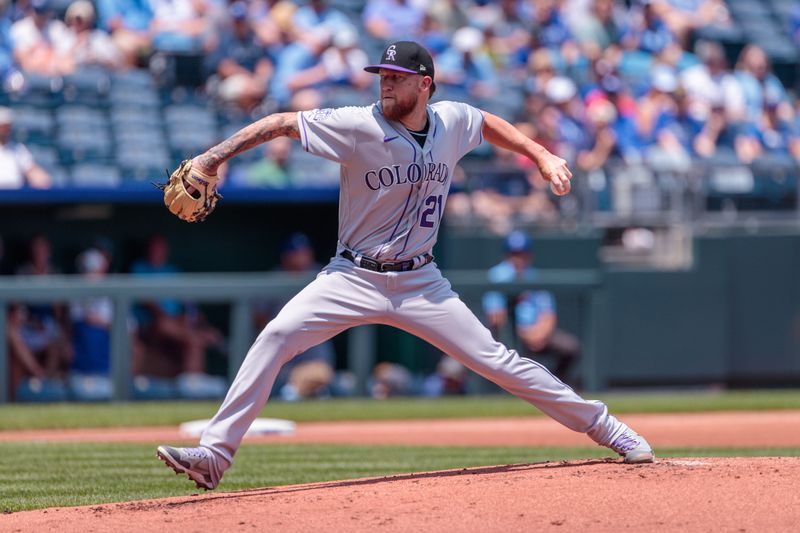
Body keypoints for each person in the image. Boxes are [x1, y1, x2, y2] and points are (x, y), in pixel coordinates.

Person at [157, 40, 654, 491]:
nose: (386, 83)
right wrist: (213, 157)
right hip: (351, 275)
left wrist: (542, 155)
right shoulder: (357, 124)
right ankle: (214, 455)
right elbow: (282, 122)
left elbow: (487, 122)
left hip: (421, 281)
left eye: (395, 76)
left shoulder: (452, 120)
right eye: (382, 75)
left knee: (498, 362)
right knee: (276, 337)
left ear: (425, 85)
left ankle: (607, 427)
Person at [483, 231, 581, 387]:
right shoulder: (497, 275)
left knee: (569, 347)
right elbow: (496, 317)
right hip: (508, 334)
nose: (518, 258)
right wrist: (524, 333)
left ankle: (554, 387)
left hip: (537, 332)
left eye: (522, 253)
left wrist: (540, 334)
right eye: (514, 253)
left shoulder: (535, 276)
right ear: (507, 255)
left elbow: (548, 314)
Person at [0, 106, 51, 189]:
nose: (5, 130)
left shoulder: (18, 149)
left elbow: (33, 172)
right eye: (2, 126)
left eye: (7, 126)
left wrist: (41, 179)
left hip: (15, 197)